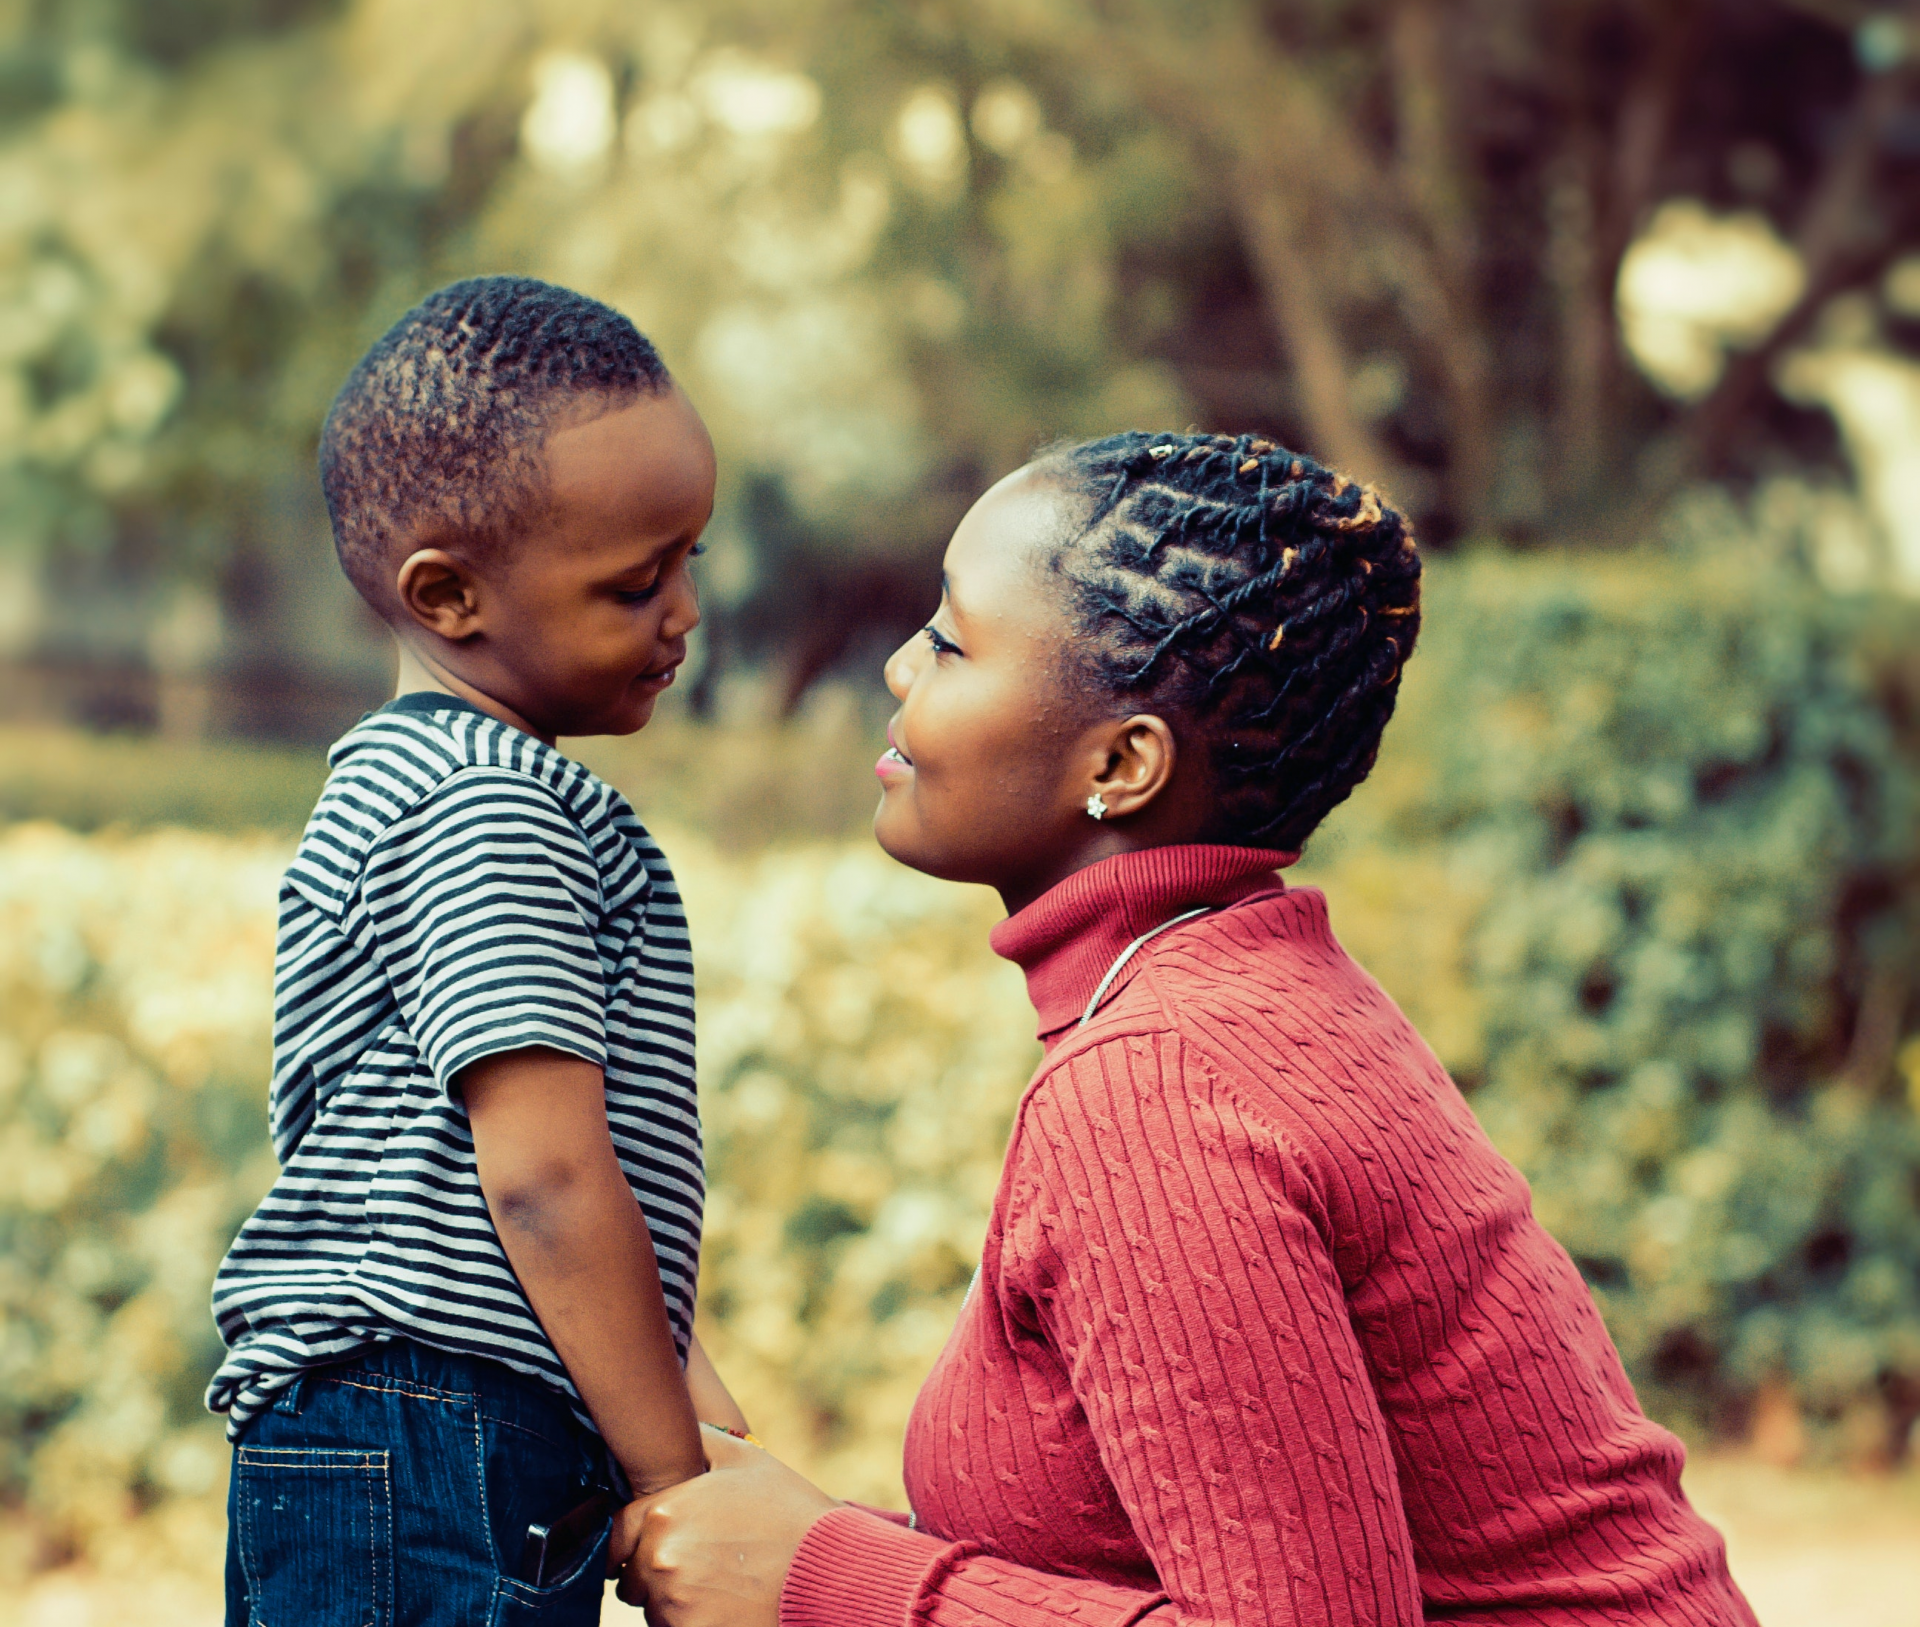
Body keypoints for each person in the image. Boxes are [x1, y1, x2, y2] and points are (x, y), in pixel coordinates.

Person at [618, 433, 1758, 1626]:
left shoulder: (1159, 1083)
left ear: (1123, 762)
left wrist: (821, 1578)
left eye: (952, 642)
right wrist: (812, 1539)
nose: (902, 667)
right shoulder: (1242, 994)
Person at [206, 276, 746, 1627]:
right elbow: (547, 1178)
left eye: (692, 555)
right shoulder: (482, 803)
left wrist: (698, 1408)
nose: (685, 610)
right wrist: (678, 1486)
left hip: (425, 1429)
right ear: (448, 595)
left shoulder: (435, 780)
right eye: (637, 581)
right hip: (430, 1429)